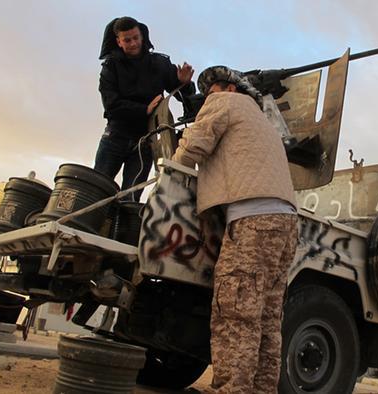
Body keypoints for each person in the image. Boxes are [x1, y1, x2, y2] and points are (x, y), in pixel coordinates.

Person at [172, 66, 298, 394]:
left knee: (236, 312)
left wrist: (172, 162)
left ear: (229, 88)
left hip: (253, 222)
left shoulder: (226, 104)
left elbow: (193, 147)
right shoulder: (262, 120)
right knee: (267, 320)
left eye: (211, 91)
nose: (207, 99)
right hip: (285, 224)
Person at [95, 16, 195, 201]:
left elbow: (182, 93)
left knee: (130, 198)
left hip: (145, 141)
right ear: (118, 41)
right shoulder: (110, 67)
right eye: (127, 40)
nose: (133, 43)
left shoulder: (159, 63)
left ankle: (123, 229)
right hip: (115, 137)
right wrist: (144, 109)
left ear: (142, 36)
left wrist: (184, 83)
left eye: (136, 38)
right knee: (97, 190)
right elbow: (111, 105)